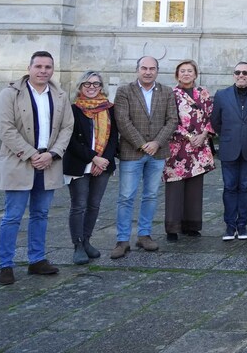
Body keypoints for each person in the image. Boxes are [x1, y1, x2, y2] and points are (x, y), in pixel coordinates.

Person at [0, 51, 74, 285]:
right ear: (29, 68)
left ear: (52, 70)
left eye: (48, 67)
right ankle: (5, 264)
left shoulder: (60, 95)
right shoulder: (10, 94)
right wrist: (31, 154)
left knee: (41, 214)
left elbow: (67, 127)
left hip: (49, 162)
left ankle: (37, 259)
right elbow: (5, 128)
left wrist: (53, 154)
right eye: (38, 66)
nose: (43, 71)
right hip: (20, 161)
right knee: (12, 216)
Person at [112, 55, 178, 259]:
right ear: (137, 70)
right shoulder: (124, 91)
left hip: (158, 152)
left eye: (152, 68)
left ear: (157, 70)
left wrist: (157, 142)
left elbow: (172, 120)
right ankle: (122, 240)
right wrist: (142, 144)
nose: (148, 72)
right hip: (132, 152)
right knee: (126, 197)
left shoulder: (167, 92)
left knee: (150, 195)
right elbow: (122, 120)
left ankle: (144, 235)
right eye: (144, 68)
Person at [64, 71, 118, 265]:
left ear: (101, 87)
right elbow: (70, 141)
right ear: (80, 87)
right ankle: (77, 245)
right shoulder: (73, 109)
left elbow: (113, 138)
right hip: (79, 163)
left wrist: (103, 160)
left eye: (96, 84)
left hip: (103, 164)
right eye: (87, 84)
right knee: (79, 205)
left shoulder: (109, 109)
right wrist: (93, 158)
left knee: (94, 204)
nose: (92, 87)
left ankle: (87, 240)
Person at [211, 61, 247, 241]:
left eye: (245, 72)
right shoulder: (221, 95)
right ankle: (229, 225)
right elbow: (215, 121)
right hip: (229, 148)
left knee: (246, 187)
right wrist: (229, 135)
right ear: (233, 75)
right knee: (229, 187)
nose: (241, 75)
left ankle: (242, 224)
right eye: (238, 72)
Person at [164, 59, 215, 242]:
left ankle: (191, 226)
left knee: (195, 187)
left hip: (199, 146)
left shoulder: (203, 93)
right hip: (177, 146)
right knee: (175, 187)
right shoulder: (170, 94)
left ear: (195, 74)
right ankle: (172, 228)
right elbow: (168, 119)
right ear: (177, 75)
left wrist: (204, 134)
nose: (186, 74)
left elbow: (211, 116)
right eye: (182, 71)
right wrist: (188, 136)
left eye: (189, 71)